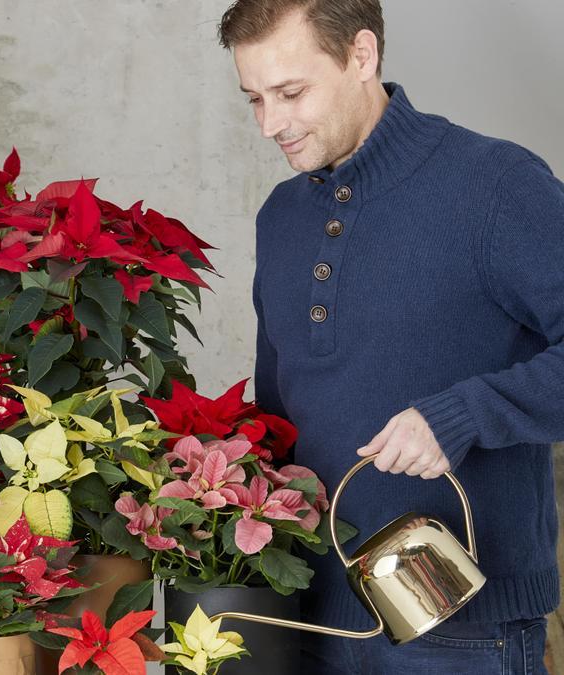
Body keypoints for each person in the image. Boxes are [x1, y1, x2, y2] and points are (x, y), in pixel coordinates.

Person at [217, 1, 561, 672]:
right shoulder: (281, 216)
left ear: (362, 56)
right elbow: (280, 414)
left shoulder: (497, 186)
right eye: (254, 98)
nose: (270, 124)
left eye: (291, 93)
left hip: (461, 632)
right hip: (305, 619)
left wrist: (461, 414)